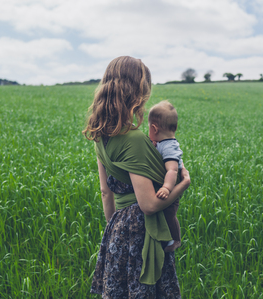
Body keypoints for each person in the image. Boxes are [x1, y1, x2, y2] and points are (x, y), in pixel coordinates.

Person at [83, 56, 190, 298]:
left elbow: (105, 191)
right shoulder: (135, 140)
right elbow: (149, 205)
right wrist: (183, 184)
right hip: (142, 232)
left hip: (117, 226)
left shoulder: (100, 135)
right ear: (136, 94)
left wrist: (115, 229)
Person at [148, 100, 183, 252]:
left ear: (154, 128)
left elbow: (172, 170)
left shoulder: (169, 146)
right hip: (167, 183)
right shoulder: (162, 142)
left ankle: (175, 239)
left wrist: (167, 188)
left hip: (173, 183)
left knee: (169, 213)